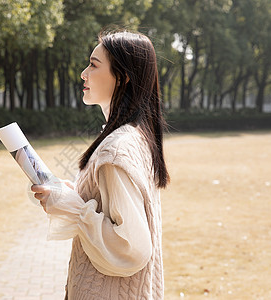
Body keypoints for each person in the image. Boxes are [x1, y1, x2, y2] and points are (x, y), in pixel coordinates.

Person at [31, 29, 170, 300]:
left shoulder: (116, 149)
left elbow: (131, 247)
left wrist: (75, 209)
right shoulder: (133, 135)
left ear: (124, 76)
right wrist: (72, 196)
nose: (84, 73)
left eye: (93, 65)